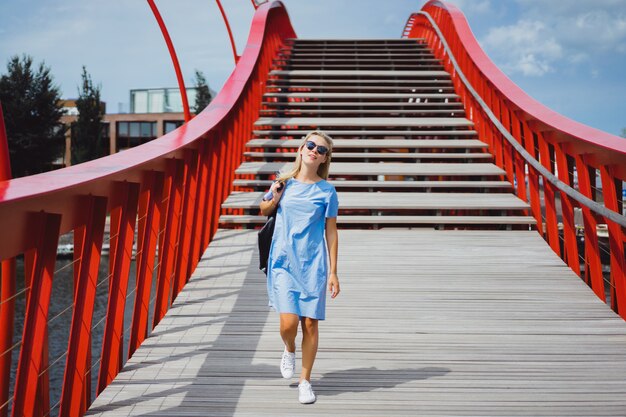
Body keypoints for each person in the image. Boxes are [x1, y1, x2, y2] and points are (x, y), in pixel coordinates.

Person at [259, 130, 340, 404]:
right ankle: (288, 347)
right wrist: (276, 197)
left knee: (310, 324)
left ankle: (305, 380)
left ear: (324, 159)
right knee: (288, 323)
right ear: (302, 148)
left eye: (321, 150)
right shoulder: (283, 180)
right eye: (311, 145)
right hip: (283, 261)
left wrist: (333, 271)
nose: (314, 151)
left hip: (313, 264)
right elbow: (263, 209)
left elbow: (331, 232)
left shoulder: (327, 191)